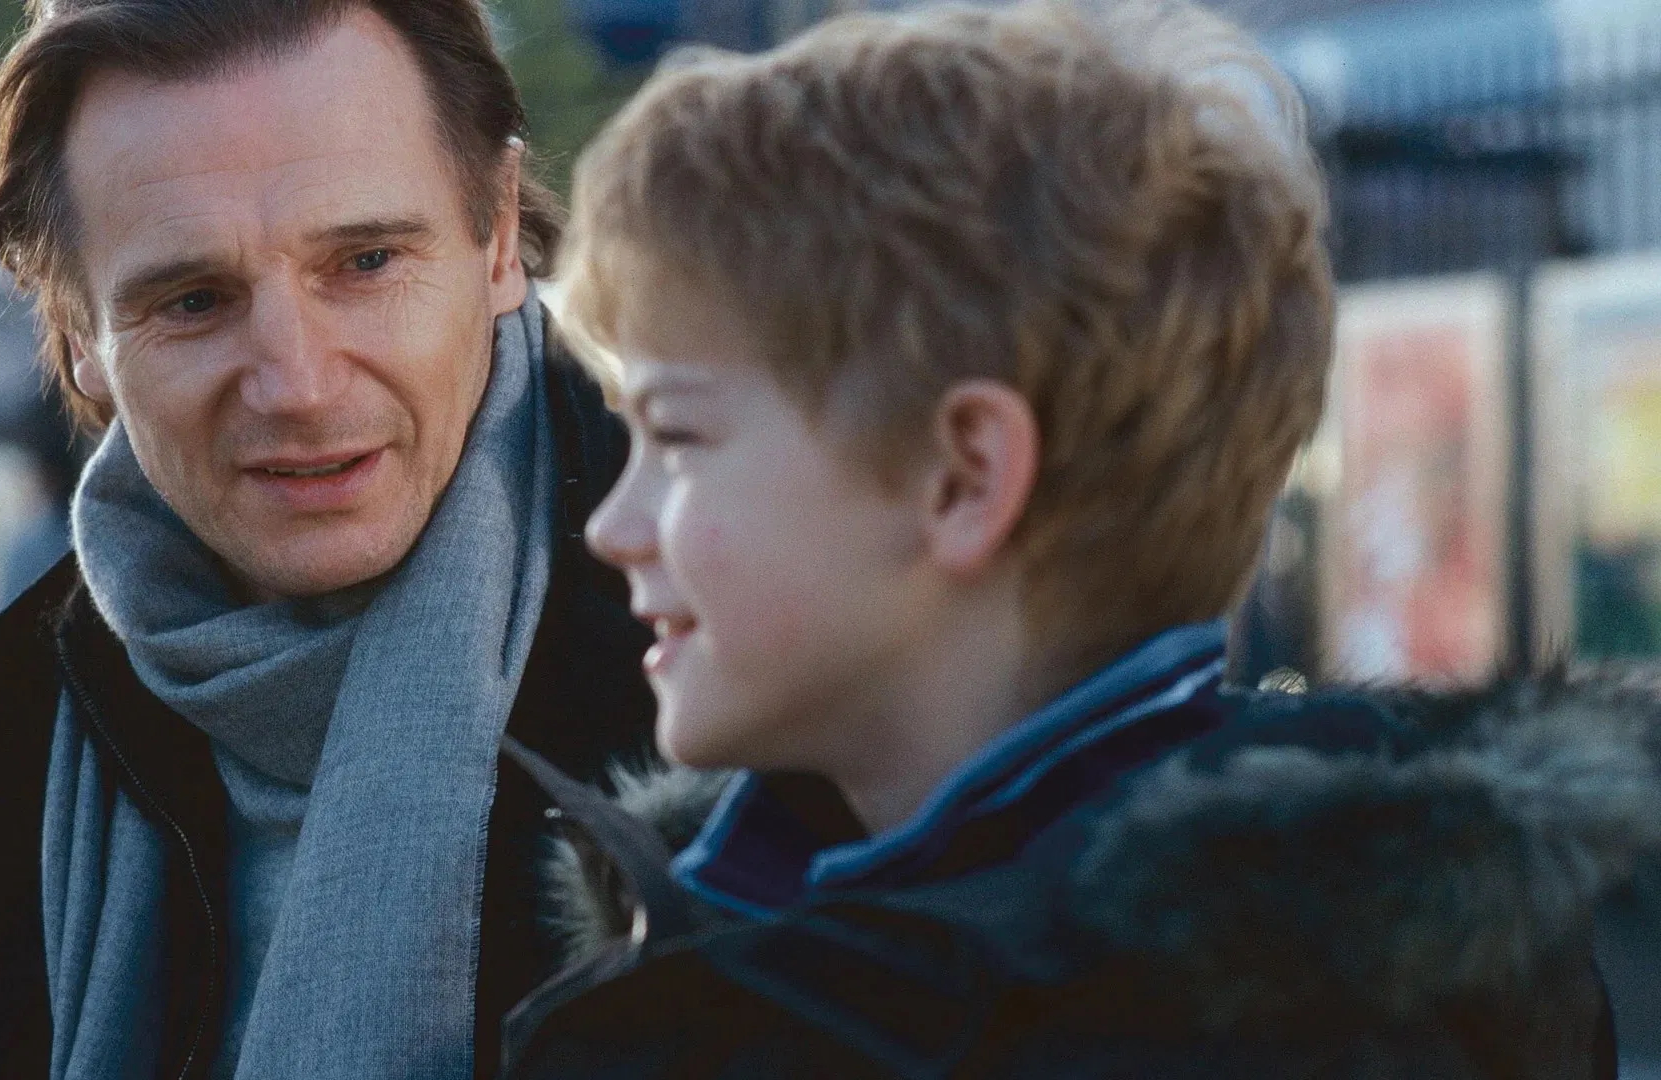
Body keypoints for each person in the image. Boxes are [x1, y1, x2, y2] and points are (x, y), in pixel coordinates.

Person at [494, 1, 1639, 1075]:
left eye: (677, 436)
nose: (611, 527)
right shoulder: (1440, 951)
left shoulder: (809, 1026)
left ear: (965, 477)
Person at [0, 1, 654, 1078]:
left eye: (367, 261)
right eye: (194, 301)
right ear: (76, 333)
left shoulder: (743, 698)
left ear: (501, 235)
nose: (297, 384)